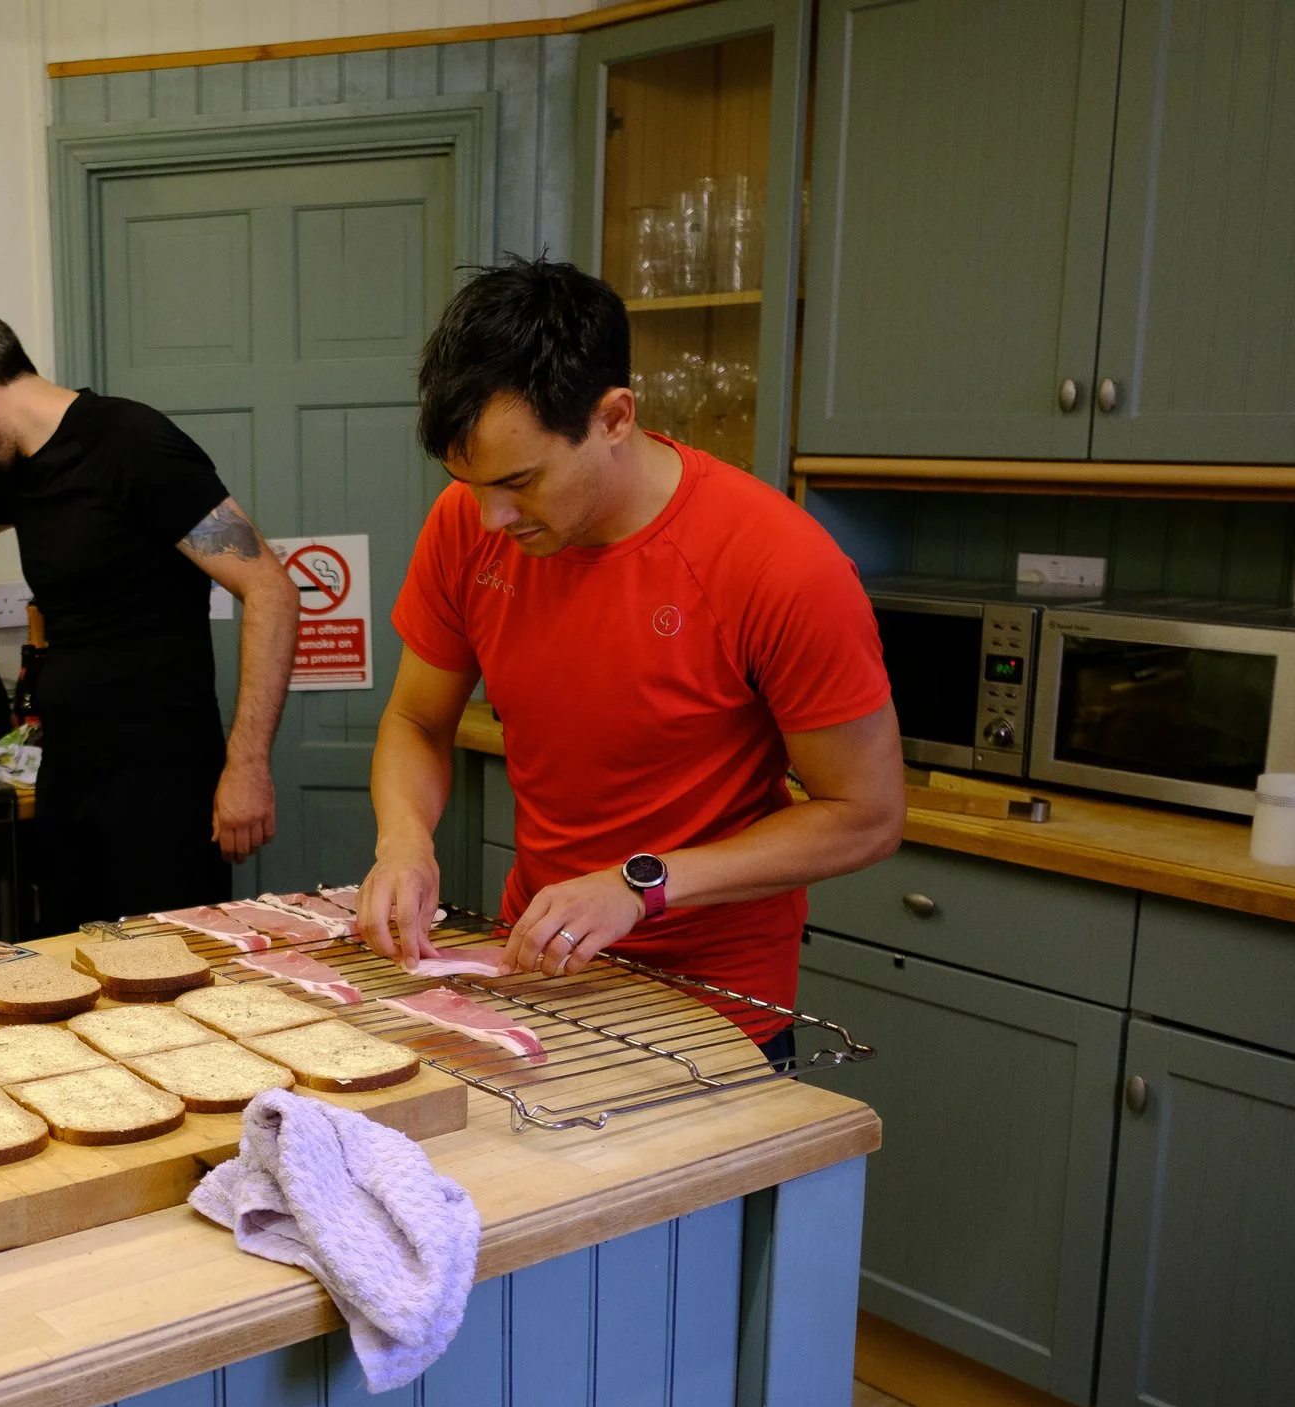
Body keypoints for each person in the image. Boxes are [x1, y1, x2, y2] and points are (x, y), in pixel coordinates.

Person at [358, 258, 904, 1050]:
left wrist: (638, 884)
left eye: (520, 481)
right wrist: (404, 842)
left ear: (614, 417)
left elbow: (867, 816)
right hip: (540, 974)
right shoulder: (467, 527)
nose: (490, 517)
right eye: (469, 483)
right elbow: (415, 720)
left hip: (714, 1006)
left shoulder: (779, 564)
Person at [0, 298, 300, 930]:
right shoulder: (19, 469)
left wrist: (248, 767)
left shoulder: (134, 445)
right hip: (70, 776)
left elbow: (271, 590)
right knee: (69, 969)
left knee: (164, 978)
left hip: (161, 788)